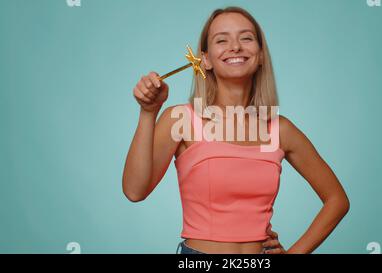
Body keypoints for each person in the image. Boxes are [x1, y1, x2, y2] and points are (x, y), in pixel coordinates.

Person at [122, 7, 350, 254]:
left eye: (246, 38)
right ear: (205, 59)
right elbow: (135, 191)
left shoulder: (280, 130)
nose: (235, 47)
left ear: (261, 55)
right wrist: (148, 112)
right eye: (222, 40)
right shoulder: (181, 119)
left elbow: (337, 200)